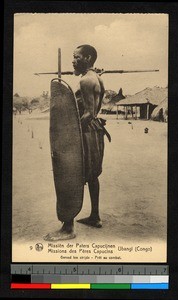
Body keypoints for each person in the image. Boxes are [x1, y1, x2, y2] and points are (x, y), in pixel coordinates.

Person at [44, 45, 110, 241]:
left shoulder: (85, 80)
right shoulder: (97, 77)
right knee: (92, 175)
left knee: (72, 173)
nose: (72, 61)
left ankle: (67, 228)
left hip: (86, 133)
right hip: (95, 132)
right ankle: (95, 216)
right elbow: (94, 111)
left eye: (76, 57)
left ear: (88, 58)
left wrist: (70, 133)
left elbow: (88, 113)